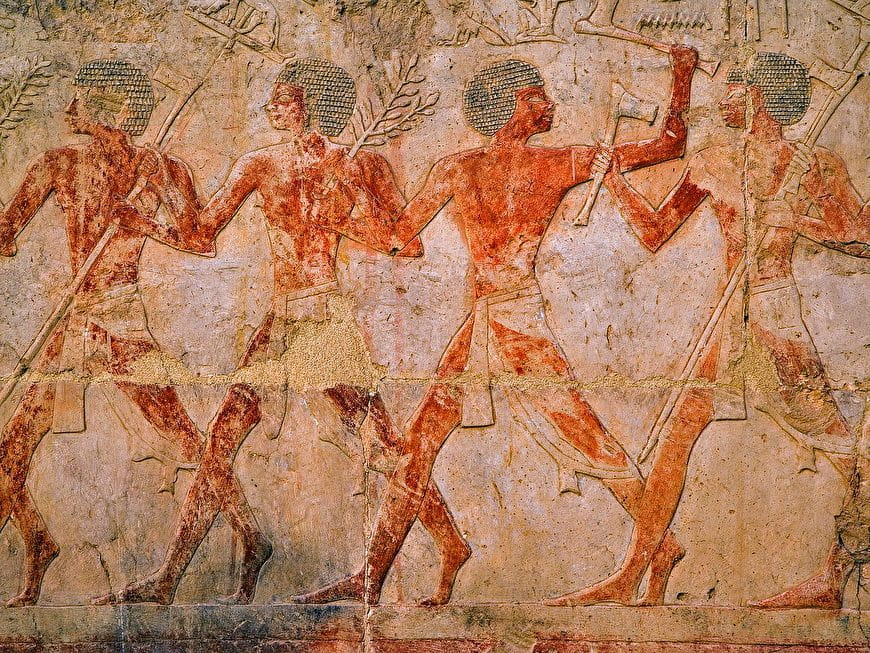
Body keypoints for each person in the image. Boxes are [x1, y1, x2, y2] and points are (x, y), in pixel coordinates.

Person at [295, 46, 700, 605]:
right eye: (536, 96)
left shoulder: (481, 166)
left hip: (515, 322)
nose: (549, 104)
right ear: (510, 105)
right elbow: (398, 239)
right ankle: (372, 578)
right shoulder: (541, 163)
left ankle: (662, 543)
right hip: (489, 323)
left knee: (587, 439)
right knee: (419, 445)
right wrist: (681, 76)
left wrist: (344, 214)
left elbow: (393, 237)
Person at [97, 59, 470, 606]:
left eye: (284, 97)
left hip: (323, 319)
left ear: (311, 105)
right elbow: (201, 235)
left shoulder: (360, 164)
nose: (271, 104)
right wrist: (149, 216)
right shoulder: (259, 164)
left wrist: (347, 220)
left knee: (384, 447)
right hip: (280, 320)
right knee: (222, 439)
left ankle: (449, 543)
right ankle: (169, 577)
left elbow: (406, 243)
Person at [553, 51, 868, 607]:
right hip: (727, 320)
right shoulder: (718, 160)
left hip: (772, 316)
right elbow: (656, 229)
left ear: (760, 97)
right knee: (678, 435)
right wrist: (615, 182)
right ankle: (635, 572)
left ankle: (835, 576)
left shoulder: (814, 163)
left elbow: (860, 235)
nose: (724, 98)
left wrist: (797, 220)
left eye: (737, 87)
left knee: (840, 447)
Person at [0, 59, 263, 607]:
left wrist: (145, 225)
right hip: (75, 323)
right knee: (14, 445)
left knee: (186, 440)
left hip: (122, 322)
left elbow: (201, 241)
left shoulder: (162, 169)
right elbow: (7, 228)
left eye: (81, 96)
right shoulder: (61, 163)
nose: (69, 108)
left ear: (113, 107)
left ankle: (249, 534)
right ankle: (37, 541)